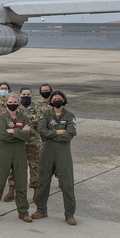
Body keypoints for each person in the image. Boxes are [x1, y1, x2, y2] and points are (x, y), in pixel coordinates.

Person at [0, 93, 35, 223]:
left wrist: (13, 131)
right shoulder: (1, 117)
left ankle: (23, 211)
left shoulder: (24, 117)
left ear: (18, 103)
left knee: (21, 182)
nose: (13, 104)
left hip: (20, 151)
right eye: (11, 102)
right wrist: (20, 132)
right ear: (6, 103)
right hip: (4, 151)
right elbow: (2, 135)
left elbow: (30, 134)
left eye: (15, 102)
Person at [34, 90, 78, 225]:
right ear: (51, 101)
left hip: (63, 151)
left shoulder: (69, 115)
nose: (57, 100)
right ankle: (41, 209)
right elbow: (41, 131)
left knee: (67, 182)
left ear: (64, 100)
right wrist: (58, 132)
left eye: (60, 98)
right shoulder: (46, 114)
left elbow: (71, 133)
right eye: (55, 99)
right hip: (47, 150)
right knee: (43, 180)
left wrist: (52, 135)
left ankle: (69, 214)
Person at [19, 86, 43, 201]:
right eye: (23, 95)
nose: (26, 97)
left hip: (33, 140)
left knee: (34, 165)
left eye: (28, 95)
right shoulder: (15, 106)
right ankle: (13, 189)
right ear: (20, 95)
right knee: (17, 166)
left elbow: (40, 121)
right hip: (19, 141)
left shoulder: (37, 107)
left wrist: (23, 122)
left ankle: (36, 189)